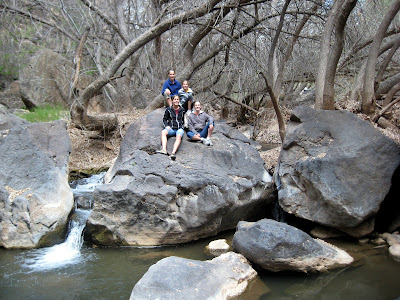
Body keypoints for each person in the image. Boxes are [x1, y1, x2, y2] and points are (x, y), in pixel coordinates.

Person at [156, 95, 185, 160]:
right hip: (171, 128)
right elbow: (164, 119)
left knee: (179, 136)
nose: (176, 101)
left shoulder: (182, 110)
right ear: (172, 100)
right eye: (175, 99)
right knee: (163, 132)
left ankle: (173, 153)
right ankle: (164, 150)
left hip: (179, 128)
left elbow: (183, 120)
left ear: (179, 101)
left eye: (177, 99)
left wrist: (182, 127)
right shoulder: (168, 109)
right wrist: (166, 126)